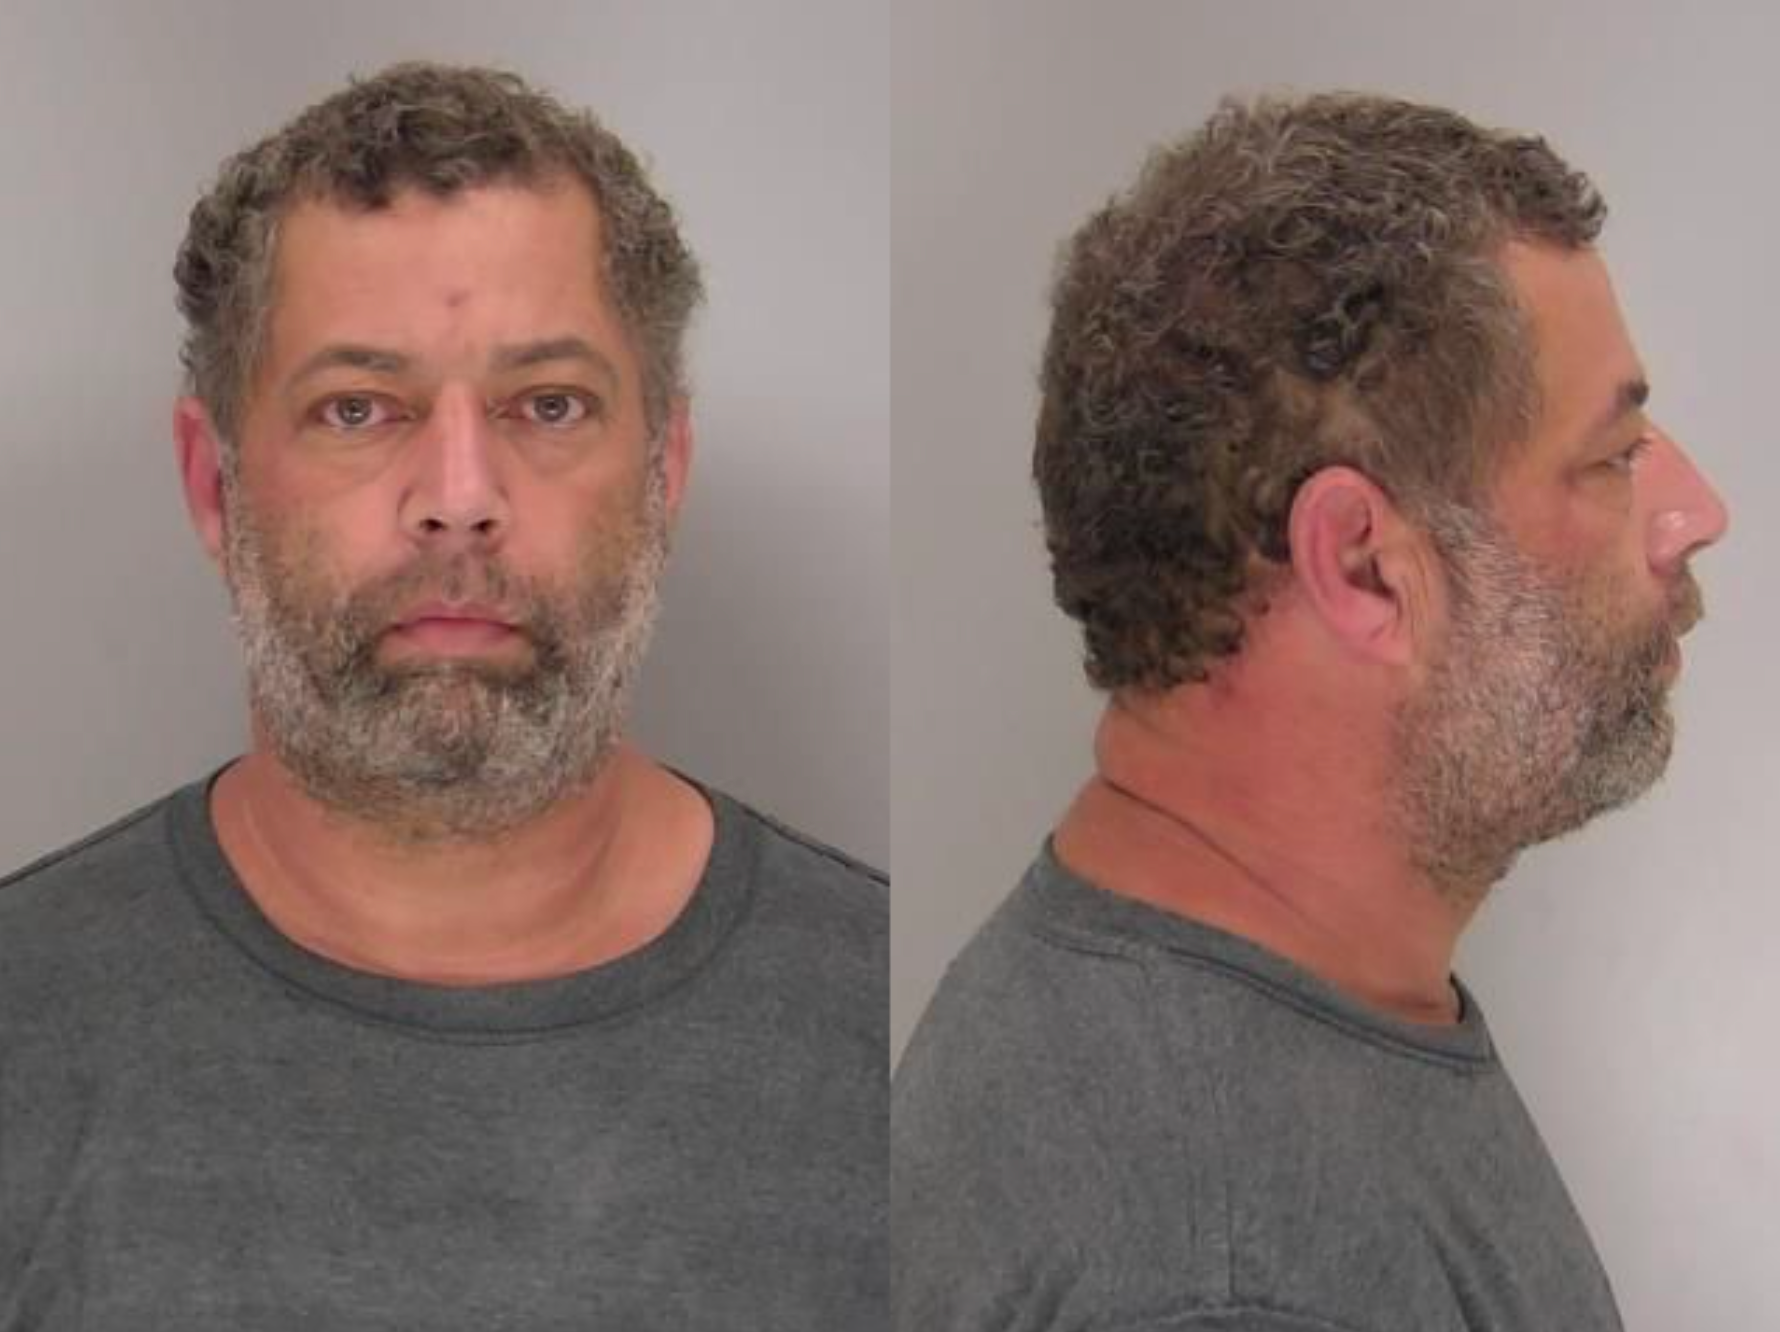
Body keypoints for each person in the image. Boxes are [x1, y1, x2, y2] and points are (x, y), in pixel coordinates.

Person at [0, 62, 885, 1328]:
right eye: (358, 408)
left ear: (664, 475)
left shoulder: (901, 1045)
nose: (460, 496)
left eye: (549, 405)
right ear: (213, 486)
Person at [893, 92, 1726, 1331]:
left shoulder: (1263, 1033)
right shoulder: (1229, 1270)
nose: (1695, 510)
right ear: (1364, 567)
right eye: (1612, 456)